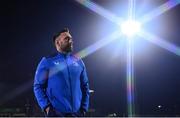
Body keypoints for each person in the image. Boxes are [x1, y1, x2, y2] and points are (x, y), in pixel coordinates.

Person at [33, 28, 90, 117]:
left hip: (77, 113)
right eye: (67, 39)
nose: (71, 41)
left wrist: (83, 108)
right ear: (58, 42)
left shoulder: (79, 61)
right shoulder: (47, 61)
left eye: (71, 39)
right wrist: (47, 107)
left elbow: (85, 86)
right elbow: (38, 86)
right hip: (56, 113)